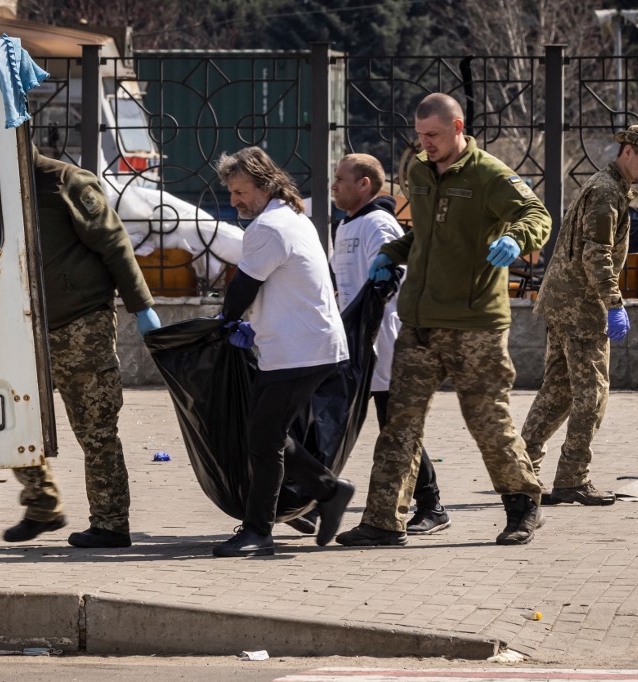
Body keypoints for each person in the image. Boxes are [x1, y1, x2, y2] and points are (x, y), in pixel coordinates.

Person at [336, 93, 551, 547]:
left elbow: (537, 215)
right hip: (419, 320)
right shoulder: (417, 170)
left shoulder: (489, 174)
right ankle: (383, 521)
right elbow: (425, 235)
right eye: (419, 136)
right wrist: (391, 253)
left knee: (488, 420)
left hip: (475, 323)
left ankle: (523, 506)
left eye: (432, 135)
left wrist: (516, 238)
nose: (425, 144)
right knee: (400, 422)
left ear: (458, 128)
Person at [2, 146, 162, 548]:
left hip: (80, 324)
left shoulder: (64, 181)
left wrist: (141, 307)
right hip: (19, 328)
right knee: (10, 421)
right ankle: (42, 505)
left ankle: (110, 525)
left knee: (96, 431)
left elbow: (115, 243)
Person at [212, 146, 354, 558]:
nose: (234, 201)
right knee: (266, 433)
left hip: (299, 349)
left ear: (263, 185)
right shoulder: (294, 217)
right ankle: (328, 490)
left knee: (264, 439)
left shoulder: (269, 227)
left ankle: (259, 531)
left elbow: (243, 287)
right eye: (231, 193)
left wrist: (225, 323)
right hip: (307, 344)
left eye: (240, 192)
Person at [520, 125, 638, 506]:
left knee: (557, 391)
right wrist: (615, 304)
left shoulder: (606, 185)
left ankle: (521, 472)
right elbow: (596, 254)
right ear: (629, 151)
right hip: (582, 308)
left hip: (564, 302)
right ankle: (572, 478)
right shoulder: (606, 191)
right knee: (593, 395)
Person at [328, 153, 451, 535]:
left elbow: (390, 279)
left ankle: (431, 505)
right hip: (357, 341)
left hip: (384, 341)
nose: (333, 185)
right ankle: (312, 496)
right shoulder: (347, 225)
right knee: (341, 420)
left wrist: (366, 323)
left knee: (395, 426)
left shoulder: (378, 224)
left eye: (340, 179)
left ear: (364, 184)